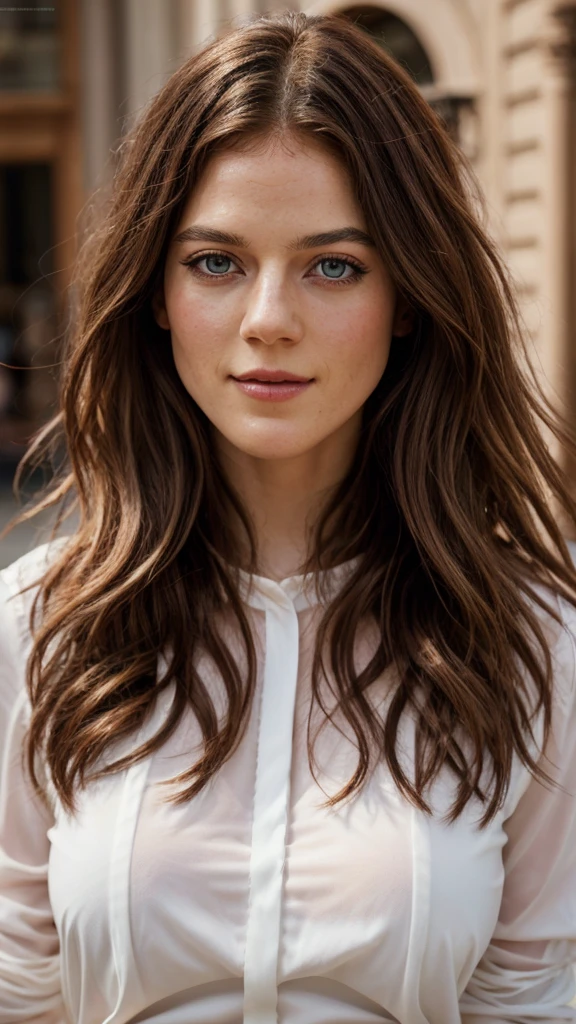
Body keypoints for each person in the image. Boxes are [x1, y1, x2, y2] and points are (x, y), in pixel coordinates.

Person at [0, 10, 575, 1024]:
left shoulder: (532, 642)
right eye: (217, 261)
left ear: (409, 295)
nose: (269, 316)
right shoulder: (35, 631)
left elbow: (533, 998)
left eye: (334, 265)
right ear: (158, 293)